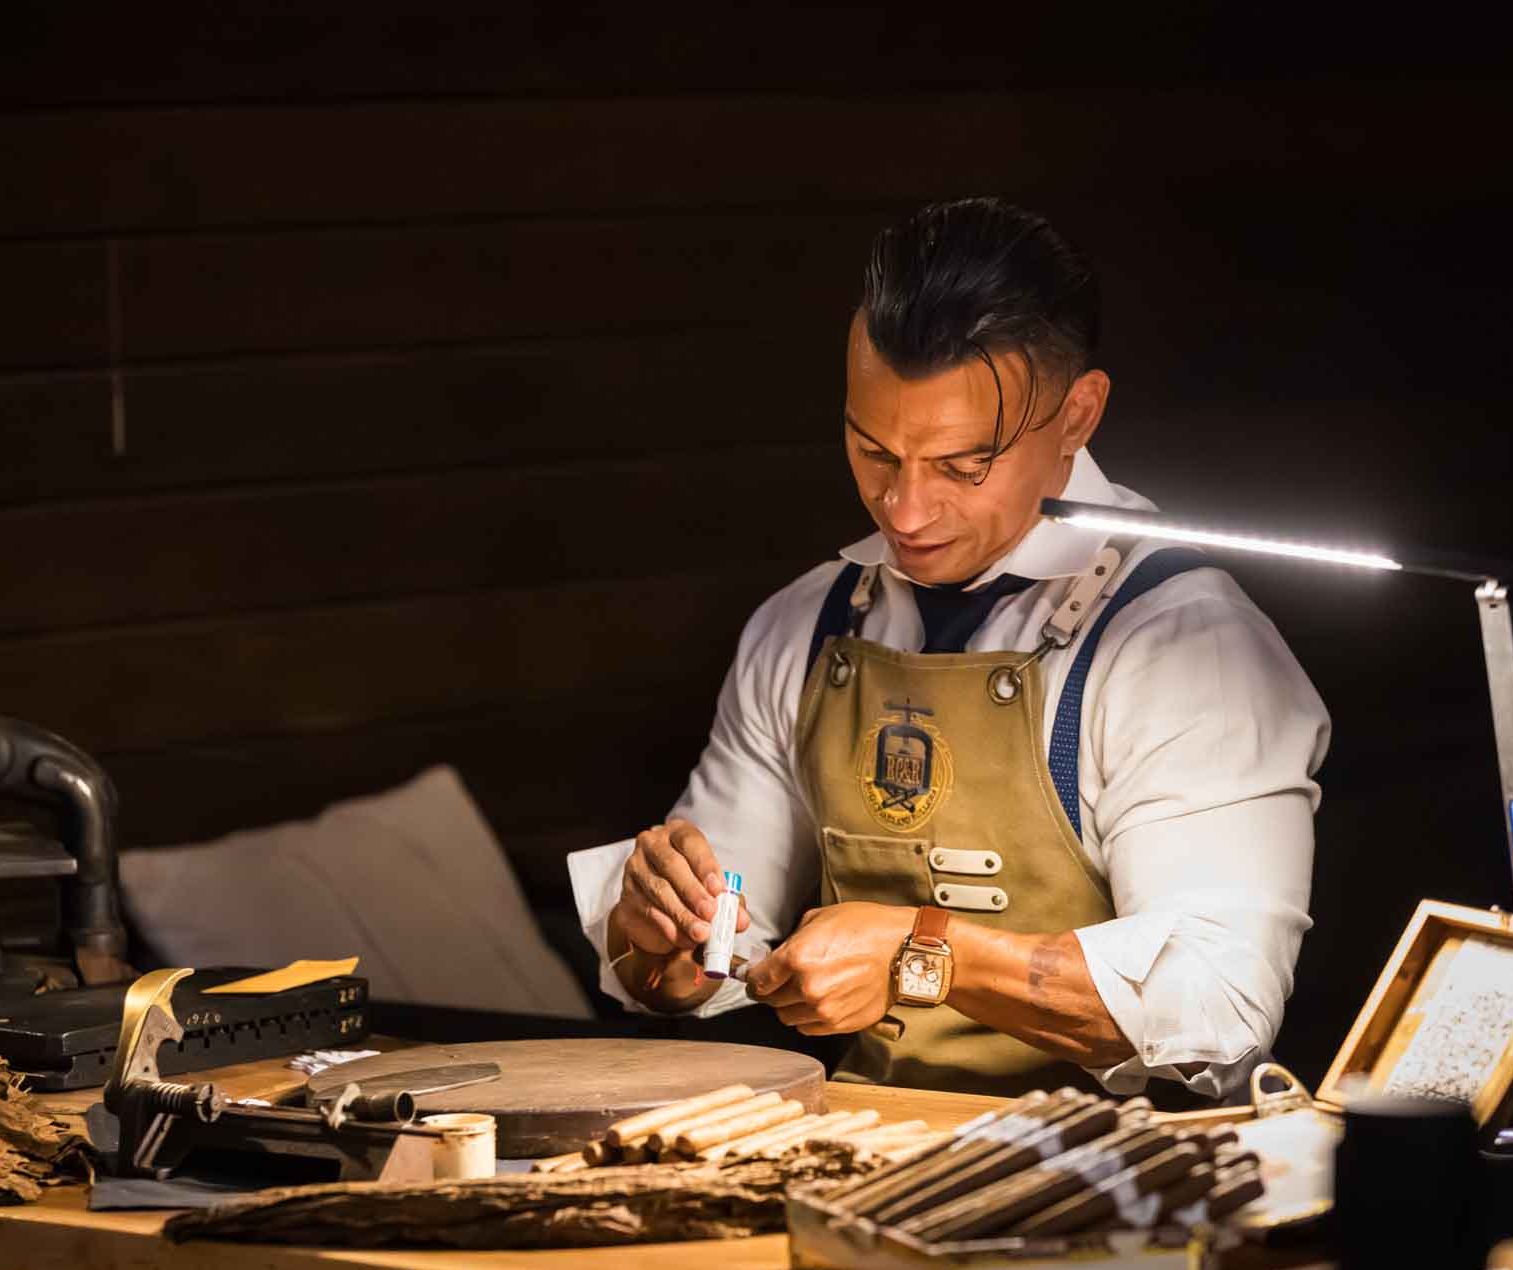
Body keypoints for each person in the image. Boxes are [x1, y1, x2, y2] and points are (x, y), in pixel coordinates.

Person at [568, 197, 1329, 1099]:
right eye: (874, 452)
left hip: (1115, 1189)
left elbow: (1220, 1007)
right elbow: (700, 959)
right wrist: (662, 936)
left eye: (965, 467)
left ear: (1078, 415)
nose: (905, 511)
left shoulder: (1190, 650)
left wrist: (920, 951)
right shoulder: (805, 625)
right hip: (861, 1152)